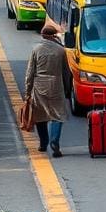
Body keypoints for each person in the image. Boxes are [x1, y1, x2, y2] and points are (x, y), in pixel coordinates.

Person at [25, 26, 73, 157]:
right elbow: (66, 72)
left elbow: (30, 73)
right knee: (57, 115)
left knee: (40, 115)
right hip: (56, 84)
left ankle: (43, 143)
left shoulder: (36, 50)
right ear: (54, 35)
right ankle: (54, 141)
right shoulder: (61, 50)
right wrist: (67, 89)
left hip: (39, 85)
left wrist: (28, 92)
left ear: (42, 35)